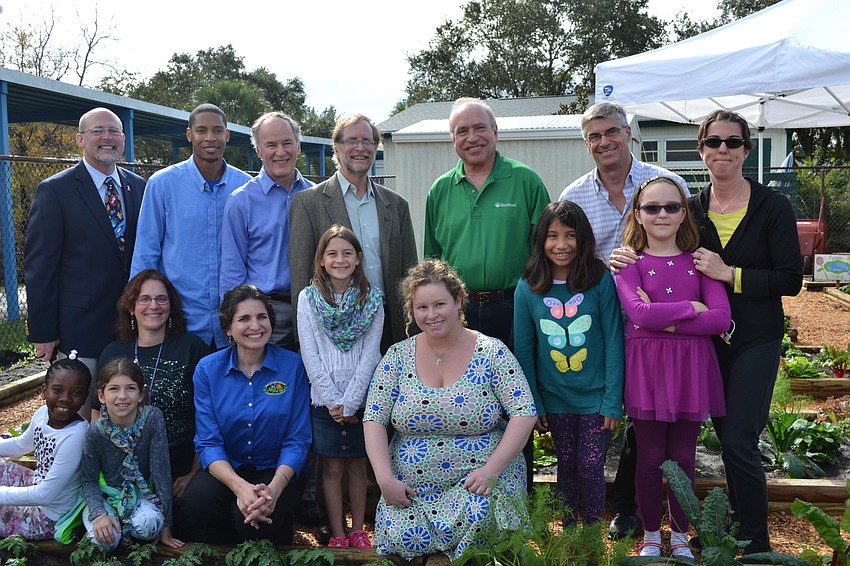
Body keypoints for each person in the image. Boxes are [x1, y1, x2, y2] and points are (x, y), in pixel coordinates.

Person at [611, 110, 802, 554]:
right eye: (713, 142)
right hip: (701, 345)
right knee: (692, 437)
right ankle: (714, 526)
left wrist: (731, 274)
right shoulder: (690, 208)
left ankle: (753, 540)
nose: (722, 150)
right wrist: (624, 263)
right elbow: (654, 254)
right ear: (701, 149)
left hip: (753, 335)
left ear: (746, 150)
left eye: (733, 142)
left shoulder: (772, 207)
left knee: (737, 438)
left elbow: (790, 279)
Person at [560, 102, 688, 539]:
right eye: (594, 136)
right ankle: (603, 503)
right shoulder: (573, 196)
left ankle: (632, 508)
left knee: (646, 413)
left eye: (611, 132)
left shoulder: (666, 185)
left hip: (656, 323)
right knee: (612, 406)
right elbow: (567, 260)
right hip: (598, 321)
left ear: (628, 133)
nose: (603, 142)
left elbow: (687, 248)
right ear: (585, 143)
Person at [364, 259, 537, 562]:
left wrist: (491, 471)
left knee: (483, 521)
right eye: (421, 307)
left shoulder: (491, 351)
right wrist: (384, 480)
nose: (431, 315)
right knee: (402, 534)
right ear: (412, 310)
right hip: (413, 490)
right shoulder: (397, 356)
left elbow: (524, 412)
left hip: (481, 483)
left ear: (458, 301)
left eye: (440, 304)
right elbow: (374, 418)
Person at [613, 177, 730, 558]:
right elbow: (637, 311)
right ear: (638, 214)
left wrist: (660, 320)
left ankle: (679, 535)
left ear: (683, 213)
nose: (662, 214)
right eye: (652, 207)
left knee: (683, 456)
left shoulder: (699, 261)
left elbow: (720, 319)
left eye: (671, 207)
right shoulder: (630, 262)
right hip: (647, 369)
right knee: (648, 456)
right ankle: (650, 532)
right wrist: (690, 308)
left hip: (690, 368)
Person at [24, 107, 146, 413]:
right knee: (78, 422)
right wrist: (43, 332)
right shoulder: (55, 190)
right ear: (80, 139)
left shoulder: (139, 187)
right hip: (80, 330)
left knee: (126, 416)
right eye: (97, 131)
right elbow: (40, 268)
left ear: (123, 139)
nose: (107, 138)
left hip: (133, 329)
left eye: (114, 131)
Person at [513, 201, 624, 528]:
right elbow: (524, 350)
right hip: (554, 399)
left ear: (583, 239)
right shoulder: (528, 286)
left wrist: (612, 401)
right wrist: (533, 403)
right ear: (540, 241)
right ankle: (570, 532)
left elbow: (614, 341)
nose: (561, 245)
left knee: (590, 466)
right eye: (552, 236)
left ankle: (590, 536)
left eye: (570, 236)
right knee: (566, 464)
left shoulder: (599, 280)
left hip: (596, 399)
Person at [182, 284, 312, 544]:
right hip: (228, 470)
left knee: (255, 525)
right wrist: (240, 488)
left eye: (261, 317)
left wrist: (274, 490)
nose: (256, 325)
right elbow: (208, 443)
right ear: (228, 329)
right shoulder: (208, 370)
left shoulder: (294, 366)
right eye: (244, 318)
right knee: (198, 500)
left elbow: (297, 440)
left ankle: (276, 534)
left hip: (277, 471)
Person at [424, 97, 550, 349]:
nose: (472, 138)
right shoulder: (440, 190)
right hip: (457, 311)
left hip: (515, 307)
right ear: (453, 139)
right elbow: (432, 260)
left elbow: (546, 250)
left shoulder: (526, 181)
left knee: (515, 382)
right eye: (462, 131)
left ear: (495, 132)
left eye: (480, 128)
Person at [92, 269, 210, 531]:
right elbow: (96, 416)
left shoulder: (193, 349)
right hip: (125, 471)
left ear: (172, 306)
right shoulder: (113, 352)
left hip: (180, 470)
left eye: (161, 299)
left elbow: (208, 417)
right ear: (131, 307)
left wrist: (194, 473)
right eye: (144, 299)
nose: (153, 306)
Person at [290, 113, 417, 353]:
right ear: (336, 148)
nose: (360, 148)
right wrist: (303, 344)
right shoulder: (308, 203)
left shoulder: (397, 205)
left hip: (389, 330)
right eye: (351, 141)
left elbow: (409, 275)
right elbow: (301, 276)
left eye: (367, 141)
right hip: (332, 331)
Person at [131, 103, 252, 347]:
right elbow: (146, 253)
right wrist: (141, 314)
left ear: (227, 135)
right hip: (180, 320)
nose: (210, 138)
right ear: (189, 135)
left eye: (217, 131)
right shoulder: (162, 184)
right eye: (201, 130)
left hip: (234, 323)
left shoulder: (246, 187)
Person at [297, 225, 384, 549]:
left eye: (347, 253)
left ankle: (358, 529)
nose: (340, 259)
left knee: (358, 466)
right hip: (324, 402)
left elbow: (372, 353)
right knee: (331, 467)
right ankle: (336, 531)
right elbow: (310, 353)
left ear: (359, 258)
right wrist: (334, 401)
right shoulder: (309, 299)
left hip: (361, 400)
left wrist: (351, 402)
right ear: (321, 260)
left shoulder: (371, 300)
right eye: (332, 253)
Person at [221, 112, 315, 350]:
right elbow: (232, 271)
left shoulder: (317, 196)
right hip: (266, 314)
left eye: (287, 143)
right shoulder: (241, 201)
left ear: (298, 147)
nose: (280, 152)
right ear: (259, 151)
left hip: (316, 312)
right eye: (271, 145)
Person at [82, 357, 179, 550]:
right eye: (113, 389)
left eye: (131, 388)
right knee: (103, 544)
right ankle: (97, 526)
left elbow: (161, 472)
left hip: (139, 493)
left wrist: (167, 525)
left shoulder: (152, 418)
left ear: (141, 394)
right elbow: (89, 480)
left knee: (150, 525)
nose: (122, 396)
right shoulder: (96, 432)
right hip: (106, 496)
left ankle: (132, 523)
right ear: (101, 395)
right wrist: (99, 514)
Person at [0, 356, 90, 541]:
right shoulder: (42, 414)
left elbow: (45, 495)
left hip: (50, 516)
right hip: (36, 483)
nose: (65, 399)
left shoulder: (76, 435)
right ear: (44, 390)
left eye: (75, 393)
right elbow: (21, 445)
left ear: (85, 398)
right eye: (57, 390)